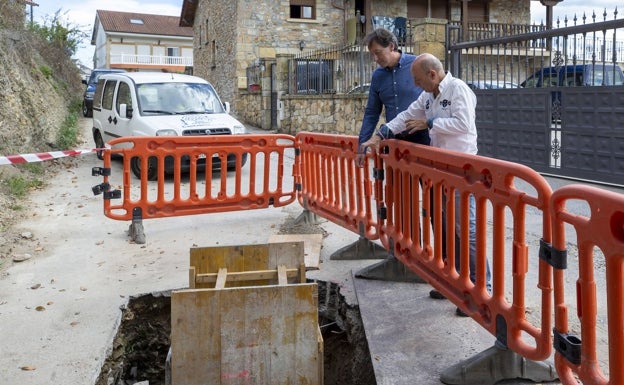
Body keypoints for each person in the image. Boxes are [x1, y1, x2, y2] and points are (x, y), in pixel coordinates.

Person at [361, 53, 492, 316]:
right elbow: (407, 116)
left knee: (466, 229)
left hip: (462, 170)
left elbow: (464, 124)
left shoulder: (458, 89)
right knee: (448, 228)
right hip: (441, 170)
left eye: (419, 80)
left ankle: (482, 290)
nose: (417, 85)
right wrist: (381, 134)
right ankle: (455, 282)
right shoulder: (428, 96)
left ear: (433, 75)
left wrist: (430, 123)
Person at [355, 28, 427, 167]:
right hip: (394, 141)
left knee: (430, 187)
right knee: (397, 188)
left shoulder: (417, 64)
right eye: (372, 55)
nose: (375, 59)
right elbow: (371, 113)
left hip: (422, 138)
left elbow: (434, 96)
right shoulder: (377, 76)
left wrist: (428, 121)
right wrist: (361, 147)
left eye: (378, 52)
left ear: (391, 46)